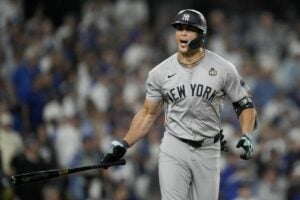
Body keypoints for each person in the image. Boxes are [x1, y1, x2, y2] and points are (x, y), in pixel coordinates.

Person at [102, 9, 257, 200]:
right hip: (174, 145)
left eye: (189, 29)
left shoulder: (223, 68)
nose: (183, 33)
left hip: (208, 149)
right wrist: (124, 144)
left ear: (202, 34)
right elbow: (148, 114)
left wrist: (247, 134)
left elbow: (244, 104)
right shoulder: (159, 72)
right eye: (179, 28)